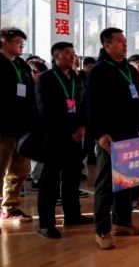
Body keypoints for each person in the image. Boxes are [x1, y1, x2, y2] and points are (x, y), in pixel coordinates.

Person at [87, 28, 139, 250]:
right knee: (106, 185)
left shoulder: (130, 70)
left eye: (125, 41)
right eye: (119, 41)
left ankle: (122, 222)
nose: (124, 44)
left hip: (131, 133)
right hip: (110, 136)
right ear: (106, 45)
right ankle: (102, 230)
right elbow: (92, 106)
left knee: (127, 180)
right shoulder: (98, 71)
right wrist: (99, 134)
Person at [35, 42, 93, 239]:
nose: (72, 56)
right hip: (54, 136)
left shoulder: (76, 78)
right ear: (56, 57)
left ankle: (72, 215)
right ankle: (46, 224)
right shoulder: (46, 79)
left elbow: (83, 105)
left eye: (73, 53)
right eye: (67, 53)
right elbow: (45, 111)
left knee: (72, 177)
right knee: (50, 182)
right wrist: (67, 131)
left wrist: (83, 126)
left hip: (76, 136)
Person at [0, 27, 34, 223]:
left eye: (23, 43)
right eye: (18, 42)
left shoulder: (22, 65)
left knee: (20, 169)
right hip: (3, 125)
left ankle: (10, 207)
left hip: (22, 126)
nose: (22, 46)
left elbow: (29, 91)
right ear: (4, 42)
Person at [27, 58, 48, 189]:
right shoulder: (28, 87)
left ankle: (37, 177)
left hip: (42, 124)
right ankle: (36, 177)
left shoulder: (43, 86)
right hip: (31, 125)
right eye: (35, 72)